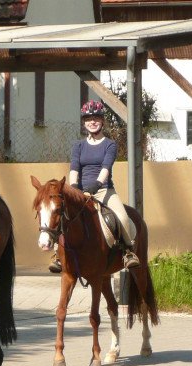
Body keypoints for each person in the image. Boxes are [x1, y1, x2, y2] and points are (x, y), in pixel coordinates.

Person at [65, 99, 140, 270]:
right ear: (84, 122)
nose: (92, 122)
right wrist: (74, 188)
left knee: (122, 217)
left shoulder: (110, 144)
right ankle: (57, 254)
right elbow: (74, 168)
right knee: (62, 215)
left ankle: (129, 251)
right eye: (88, 118)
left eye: (96, 118)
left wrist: (97, 185)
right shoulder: (78, 145)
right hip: (81, 191)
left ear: (102, 121)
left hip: (104, 190)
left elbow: (106, 167)